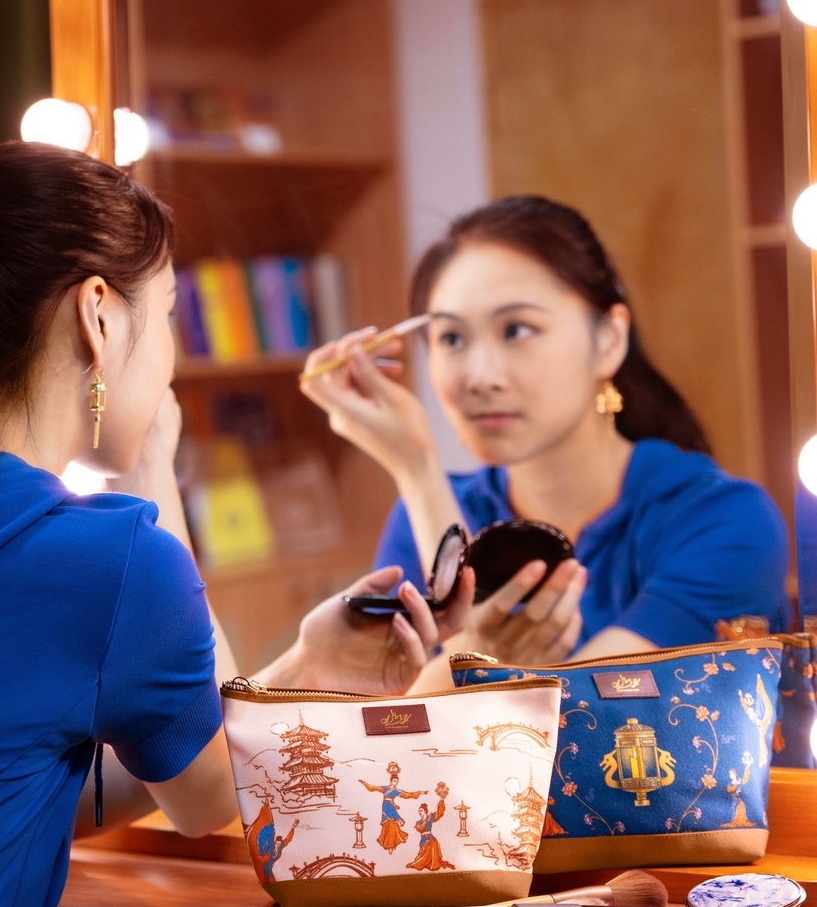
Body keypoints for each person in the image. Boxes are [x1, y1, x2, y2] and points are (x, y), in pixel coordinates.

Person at [0, 141, 461, 907]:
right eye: (170, 313)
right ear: (99, 317)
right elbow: (204, 801)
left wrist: (306, 668)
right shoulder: (97, 561)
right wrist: (151, 476)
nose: (171, 356)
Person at [301, 196, 789, 686]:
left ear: (609, 340)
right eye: (452, 339)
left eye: (516, 330)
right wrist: (417, 474)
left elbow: (590, 711)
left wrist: (477, 659)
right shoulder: (422, 515)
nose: (480, 376)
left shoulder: (725, 521)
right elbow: (390, 720)